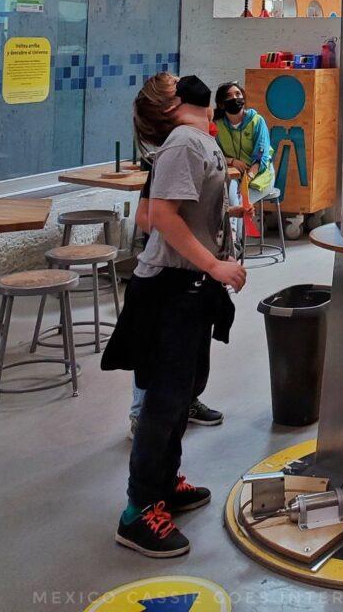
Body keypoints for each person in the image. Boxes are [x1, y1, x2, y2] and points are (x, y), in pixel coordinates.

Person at [103, 72, 248, 558]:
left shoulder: (198, 140)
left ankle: (164, 483)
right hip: (170, 289)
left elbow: (187, 212)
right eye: (175, 82)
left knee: (182, 394)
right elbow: (161, 216)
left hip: (191, 287)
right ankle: (138, 511)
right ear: (171, 105)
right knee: (164, 401)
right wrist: (215, 265)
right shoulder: (184, 142)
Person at [128, 155, 224, 437]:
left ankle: (187, 401)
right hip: (164, 273)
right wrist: (180, 239)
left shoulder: (202, 159)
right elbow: (146, 217)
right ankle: (140, 415)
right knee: (155, 352)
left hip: (194, 273)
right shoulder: (174, 157)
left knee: (192, 349)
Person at [213, 80, 274, 221]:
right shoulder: (217, 125)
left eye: (238, 94)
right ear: (221, 104)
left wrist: (248, 177)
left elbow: (260, 157)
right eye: (228, 96)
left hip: (258, 174)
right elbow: (213, 154)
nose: (234, 98)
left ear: (243, 98)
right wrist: (232, 161)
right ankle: (235, 235)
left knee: (241, 203)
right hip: (233, 174)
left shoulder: (257, 121)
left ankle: (237, 236)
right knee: (231, 200)